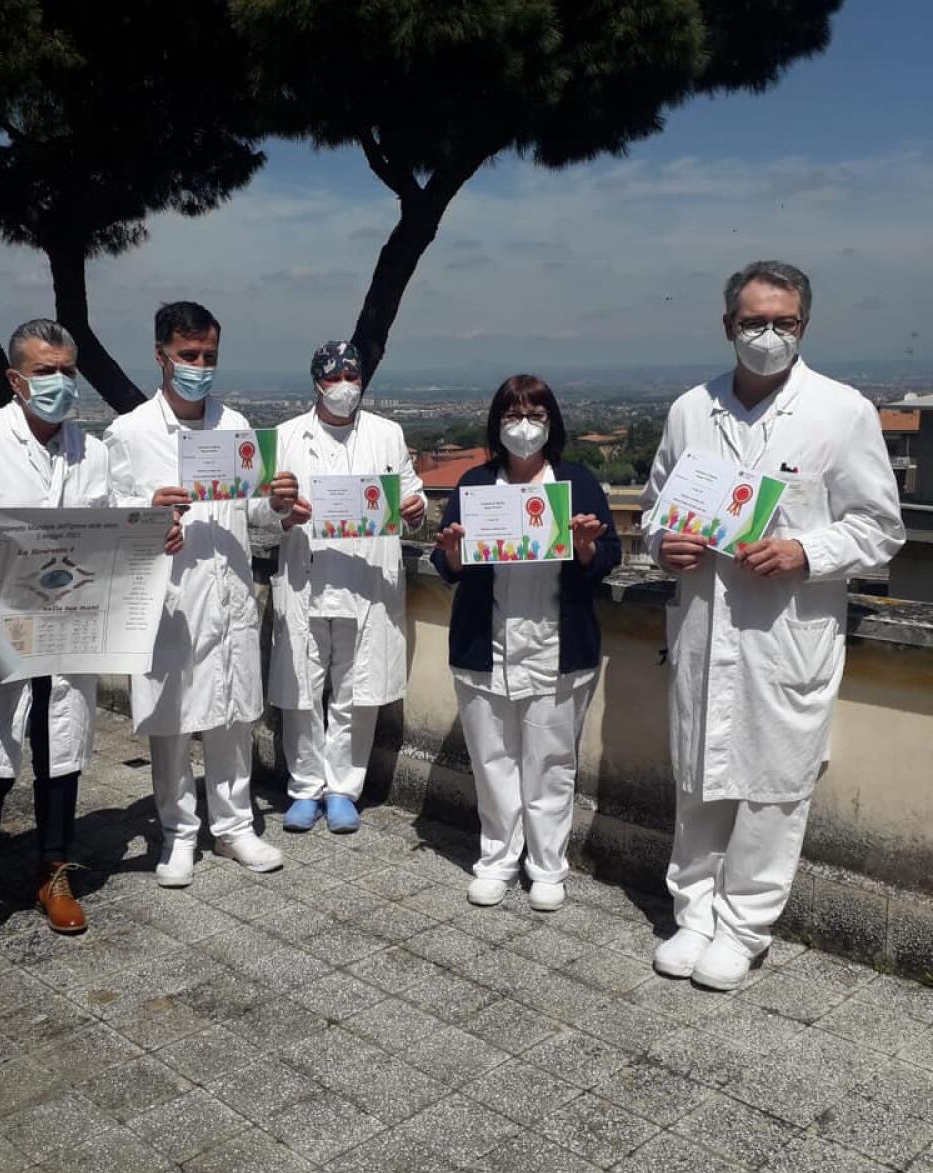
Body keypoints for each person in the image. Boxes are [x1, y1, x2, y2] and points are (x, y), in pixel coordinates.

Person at [642, 261, 905, 989]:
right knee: (698, 776)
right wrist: (664, 544)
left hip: (785, 632)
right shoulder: (689, 411)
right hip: (703, 626)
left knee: (772, 787)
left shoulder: (841, 411)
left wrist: (804, 550)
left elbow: (880, 528)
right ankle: (692, 913)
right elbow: (658, 510)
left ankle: (746, 925)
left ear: (804, 326)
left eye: (783, 322)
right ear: (728, 325)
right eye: (754, 321)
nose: (768, 335)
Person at [0, 320, 172, 970]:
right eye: (45, 371)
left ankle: (54, 871)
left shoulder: (93, 451)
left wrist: (156, 528)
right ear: (15, 379)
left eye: (67, 370)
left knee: (61, 761)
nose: (59, 383)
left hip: (66, 633)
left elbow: (116, 522)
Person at [105, 301, 295, 885]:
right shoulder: (130, 433)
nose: (199, 366)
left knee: (233, 716)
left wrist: (278, 502)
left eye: (209, 356)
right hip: (171, 601)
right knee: (172, 722)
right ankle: (178, 830)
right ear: (161, 355)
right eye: (188, 355)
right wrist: (145, 512)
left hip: (231, 590)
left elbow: (254, 511)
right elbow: (108, 519)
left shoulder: (236, 428)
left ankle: (235, 826)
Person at [432, 375, 620, 910]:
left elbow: (608, 558)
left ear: (551, 423)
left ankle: (547, 867)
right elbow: (448, 566)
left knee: (551, 762)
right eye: (513, 414)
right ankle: (496, 859)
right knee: (492, 761)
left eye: (535, 415)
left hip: (558, 646)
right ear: (497, 423)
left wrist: (585, 548)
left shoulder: (578, 484)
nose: (524, 426)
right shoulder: (474, 484)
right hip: (483, 645)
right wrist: (451, 553)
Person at [268, 340, 426, 833]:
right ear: (316, 382)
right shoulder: (286, 436)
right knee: (302, 690)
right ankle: (304, 788)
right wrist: (279, 511)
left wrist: (416, 508)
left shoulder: (387, 433)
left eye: (351, 377)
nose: (343, 387)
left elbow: (410, 490)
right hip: (306, 580)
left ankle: (343, 790)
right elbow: (261, 507)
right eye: (334, 378)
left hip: (366, 582)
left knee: (356, 692)